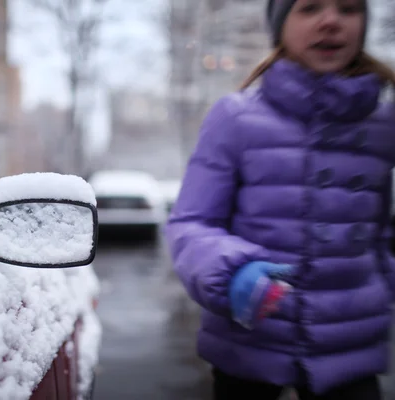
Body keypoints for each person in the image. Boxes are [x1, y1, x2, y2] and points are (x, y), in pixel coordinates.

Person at [164, 0, 395, 399]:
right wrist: (233, 270)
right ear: (279, 27)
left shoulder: (384, 124)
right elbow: (190, 222)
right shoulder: (235, 117)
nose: (330, 22)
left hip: (351, 344)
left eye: (349, 8)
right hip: (249, 339)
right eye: (309, 8)